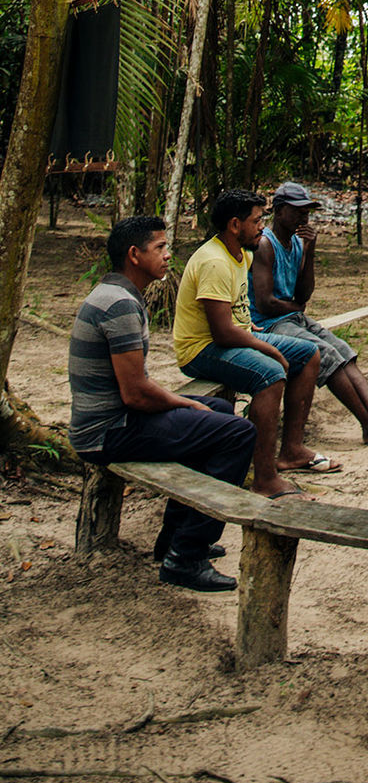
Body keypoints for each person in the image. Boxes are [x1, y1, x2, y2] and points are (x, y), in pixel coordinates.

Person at [70, 217, 256, 592]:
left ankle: (173, 537)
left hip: (117, 418)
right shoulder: (119, 305)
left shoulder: (116, 294)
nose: (168, 255)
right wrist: (186, 406)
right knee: (238, 434)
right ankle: (186, 557)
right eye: (160, 247)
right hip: (108, 431)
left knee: (220, 412)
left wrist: (188, 406)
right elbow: (136, 394)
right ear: (134, 255)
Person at [174, 189, 340, 499]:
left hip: (233, 336)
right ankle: (264, 478)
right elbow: (222, 333)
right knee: (271, 374)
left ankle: (292, 449)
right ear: (234, 225)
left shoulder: (243, 253)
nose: (262, 227)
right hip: (201, 349)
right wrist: (269, 348)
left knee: (309, 353)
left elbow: (235, 311)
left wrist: (247, 325)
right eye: (256, 221)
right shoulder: (214, 262)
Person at [249, 181, 368, 444]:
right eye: (298, 211)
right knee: (324, 353)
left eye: (307, 212)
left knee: (341, 349)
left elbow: (303, 294)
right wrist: (296, 308)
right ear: (280, 211)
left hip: (291, 317)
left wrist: (310, 251)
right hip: (269, 324)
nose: (304, 217)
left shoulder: (297, 243)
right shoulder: (265, 244)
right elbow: (265, 303)